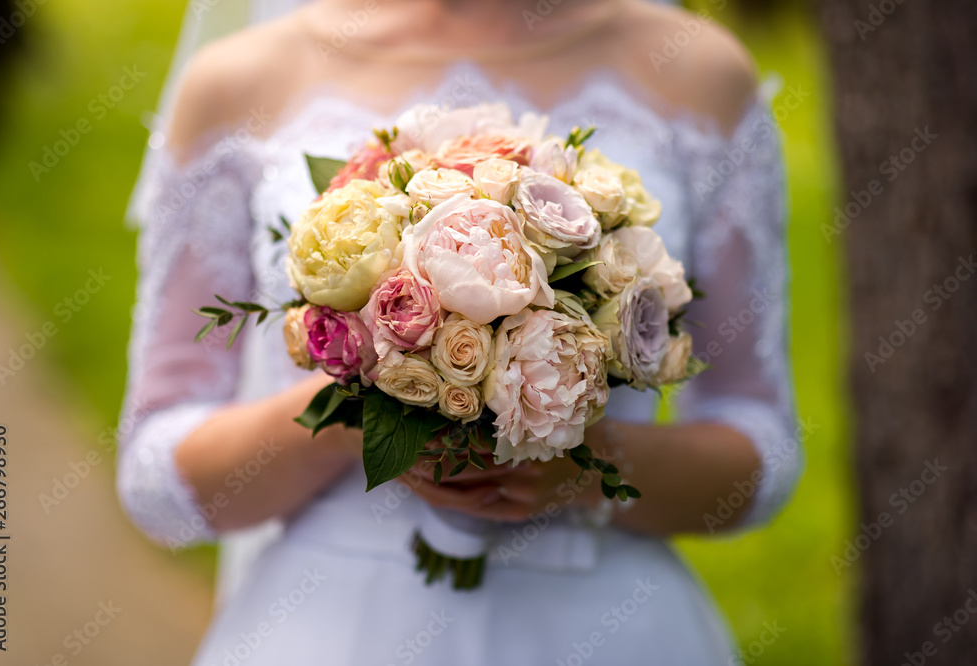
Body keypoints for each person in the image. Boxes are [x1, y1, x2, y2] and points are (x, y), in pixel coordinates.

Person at [118, 0, 801, 663]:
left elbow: (762, 449)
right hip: (332, 625)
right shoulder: (241, 82)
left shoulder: (699, 75)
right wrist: (361, 420)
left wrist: (585, 466)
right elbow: (156, 477)